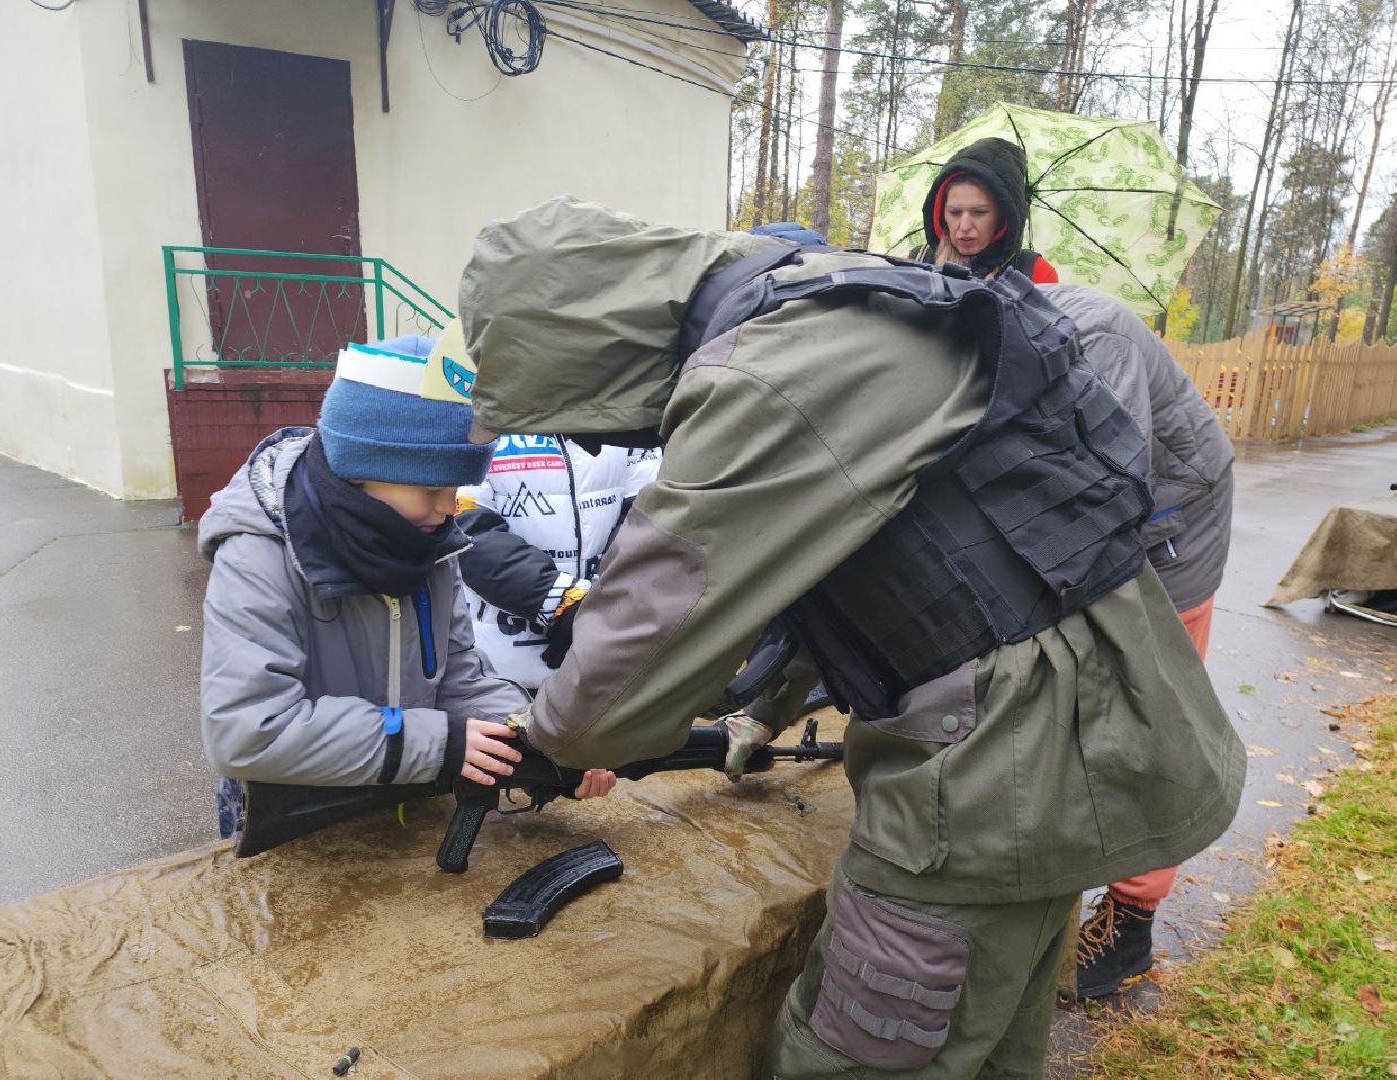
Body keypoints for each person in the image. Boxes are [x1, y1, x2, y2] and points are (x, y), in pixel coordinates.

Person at [457, 196, 1244, 1078]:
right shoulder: (848, 302)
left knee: (849, 1057)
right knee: (988, 1046)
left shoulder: (766, 373)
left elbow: (638, 647)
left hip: (993, 770)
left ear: (584, 351)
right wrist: (761, 709)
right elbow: (870, 569)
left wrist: (552, 741)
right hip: (1084, 732)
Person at [199, 336, 615, 837]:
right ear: (362, 470)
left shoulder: (428, 541)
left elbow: (460, 678)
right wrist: (434, 744)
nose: (449, 508)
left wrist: (541, 744)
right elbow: (246, 730)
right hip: (289, 817)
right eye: (431, 490)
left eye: (456, 488)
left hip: (409, 790)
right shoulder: (258, 553)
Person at [1042, 284, 1236, 998]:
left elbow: (1112, 477)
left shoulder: (1100, 338)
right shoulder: (1003, 344)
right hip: (1118, 516)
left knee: (1154, 706)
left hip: (1178, 518)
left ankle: (1131, 923)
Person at [455, 434, 660, 690]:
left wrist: (600, 605)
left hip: (605, 649)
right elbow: (467, 532)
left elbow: (648, 519)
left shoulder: (626, 415)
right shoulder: (475, 417)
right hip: (492, 668)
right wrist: (564, 603)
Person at [910, 137, 1059, 283]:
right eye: (955, 212)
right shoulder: (916, 262)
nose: (964, 226)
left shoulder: (1035, 273)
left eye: (979, 212)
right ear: (942, 213)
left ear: (1002, 216)